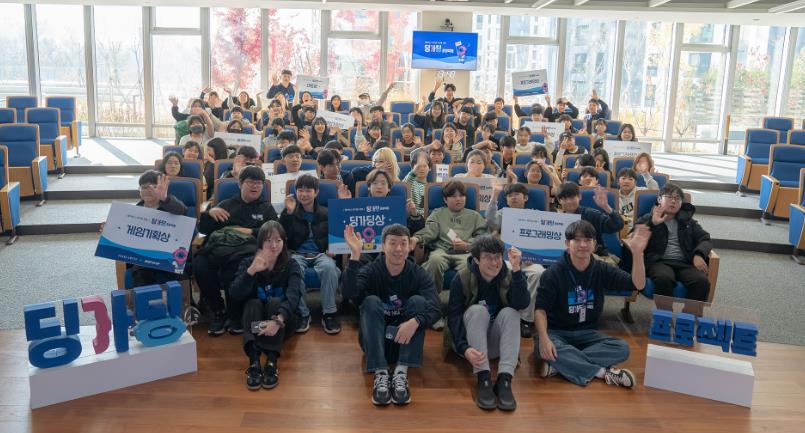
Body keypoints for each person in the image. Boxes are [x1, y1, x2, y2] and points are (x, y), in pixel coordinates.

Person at [535, 220, 649, 388]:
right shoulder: (553, 273)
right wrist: (544, 339)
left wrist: (638, 254)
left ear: (594, 244)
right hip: (557, 332)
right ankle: (604, 373)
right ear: (567, 243)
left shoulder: (602, 269)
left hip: (588, 333)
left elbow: (637, 284)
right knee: (541, 345)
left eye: (588, 240)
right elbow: (540, 310)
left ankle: (562, 364)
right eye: (577, 240)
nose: (583, 245)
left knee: (622, 348)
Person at [342, 223, 441, 406]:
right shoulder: (371, 270)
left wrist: (416, 321)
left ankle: (401, 373)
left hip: (404, 341)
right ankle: (380, 373)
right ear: (383, 246)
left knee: (419, 302)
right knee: (371, 301)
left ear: (409, 247)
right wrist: (355, 255)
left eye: (403, 243)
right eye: (392, 243)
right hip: (375, 343)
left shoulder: (418, 273)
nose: (398, 249)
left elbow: (436, 308)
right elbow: (349, 293)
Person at [195, 166, 279, 336]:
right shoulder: (226, 205)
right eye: (250, 182)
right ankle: (218, 310)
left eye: (259, 183)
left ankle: (235, 315)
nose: (255, 186)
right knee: (200, 264)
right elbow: (204, 229)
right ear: (240, 184)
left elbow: (274, 232)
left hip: (247, 251)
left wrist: (251, 231)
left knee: (236, 265)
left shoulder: (266, 208)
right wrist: (210, 213)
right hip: (220, 249)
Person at [447, 236, 527, 411]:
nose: (494, 263)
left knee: (512, 313)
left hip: (496, 344)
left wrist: (516, 270)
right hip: (471, 346)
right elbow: (453, 317)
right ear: (476, 259)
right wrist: (463, 348)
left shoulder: (510, 274)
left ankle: (505, 380)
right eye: (487, 258)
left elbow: (521, 304)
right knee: (477, 311)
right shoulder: (462, 278)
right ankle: (483, 378)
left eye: (497, 257)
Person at [230, 221, 304, 390]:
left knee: (276, 302)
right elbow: (234, 294)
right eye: (268, 240)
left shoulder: (291, 264)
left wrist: (277, 321)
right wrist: (251, 272)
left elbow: (294, 296)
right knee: (252, 303)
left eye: (278, 240)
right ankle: (254, 362)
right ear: (260, 242)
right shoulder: (249, 262)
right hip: (256, 323)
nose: (274, 245)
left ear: (284, 242)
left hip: (282, 323)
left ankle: (271, 361)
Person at [411, 180, 488, 311]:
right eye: (453, 196)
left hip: (465, 252)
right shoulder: (438, 214)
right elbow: (430, 231)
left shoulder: (474, 216)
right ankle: (431, 304)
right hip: (442, 250)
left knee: (470, 266)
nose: (458, 199)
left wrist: (467, 245)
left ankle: (466, 306)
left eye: (462, 195)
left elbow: (483, 237)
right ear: (445, 200)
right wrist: (416, 238)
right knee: (434, 261)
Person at [280, 174, 341, 334]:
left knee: (329, 268)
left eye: (308, 191)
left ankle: (329, 313)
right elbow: (283, 237)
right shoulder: (290, 212)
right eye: (300, 190)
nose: (304, 194)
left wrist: (333, 249)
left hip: (321, 253)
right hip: (297, 254)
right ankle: (303, 313)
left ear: (316, 192)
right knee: (294, 269)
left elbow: (337, 236)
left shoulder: (327, 213)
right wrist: (288, 214)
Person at [635, 183, 712, 311]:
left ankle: (688, 318)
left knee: (701, 281)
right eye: (669, 197)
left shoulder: (688, 222)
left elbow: (705, 238)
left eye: (677, 198)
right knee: (664, 278)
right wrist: (652, 224)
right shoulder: (648, 218)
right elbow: (633, 237)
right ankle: (665, 317)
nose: (673, 201)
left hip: (684, 263)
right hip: (658, 261)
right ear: (659, 199)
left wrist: (698, 254)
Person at [126, 171, 188, 288]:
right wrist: (110, 230)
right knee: (139, 274)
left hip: (169, 255)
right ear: (139, 190)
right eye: (144, 187)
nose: (148, 190)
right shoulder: (133, 212)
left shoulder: (169, 204)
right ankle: (144, 299)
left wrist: (165, 198)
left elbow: (182, 210)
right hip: (143, 257)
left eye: (153, 187)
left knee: (179, 276)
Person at [556, 182, 624, 264]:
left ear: (579, 196)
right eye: (564, 199)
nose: (569, 201)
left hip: (593, 258)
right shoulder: (556, 220)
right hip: (565, 259)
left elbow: (618, 225)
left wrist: (606, 207)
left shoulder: (591, 214)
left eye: (572, 197)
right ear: (559, 200)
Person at [403, 148, 431, 219]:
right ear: (412, 167)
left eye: (425, 166)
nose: (422, 169)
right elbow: (406, 183)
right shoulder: (410, 182)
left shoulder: (431, 188)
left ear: (430, 168)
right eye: (419, 166)